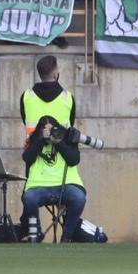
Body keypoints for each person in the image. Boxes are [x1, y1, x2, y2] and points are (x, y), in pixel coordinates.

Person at [19, 55, 85, 242]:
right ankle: (62, 236)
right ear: (57, 73)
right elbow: (70, 122)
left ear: (39, 74)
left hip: (58, 173)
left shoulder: (26, 97)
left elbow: (25, 120)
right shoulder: (67, 98)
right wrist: (44, 138)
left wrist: (54, 141)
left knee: (76, 197)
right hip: (42, 174)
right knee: (76, 198)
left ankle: (45, 235)